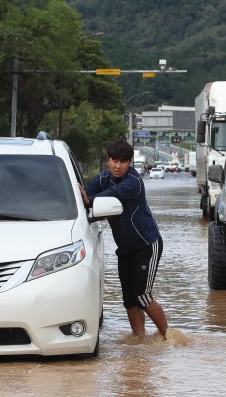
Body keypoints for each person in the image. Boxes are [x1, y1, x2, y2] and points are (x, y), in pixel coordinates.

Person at [79, 140, 169, 338]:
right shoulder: (102, 178)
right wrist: (82, 196)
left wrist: (89, 199)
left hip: (147, 245)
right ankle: (139, 340)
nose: (118, 166)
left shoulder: (134, 181)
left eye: (123, 161)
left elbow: (113, 194)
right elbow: (86, 195)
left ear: (130, 162)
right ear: (108, 160)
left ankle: (169, 338)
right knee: (129, 298)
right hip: (125, 249)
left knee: (142, 297)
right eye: (114, 160)